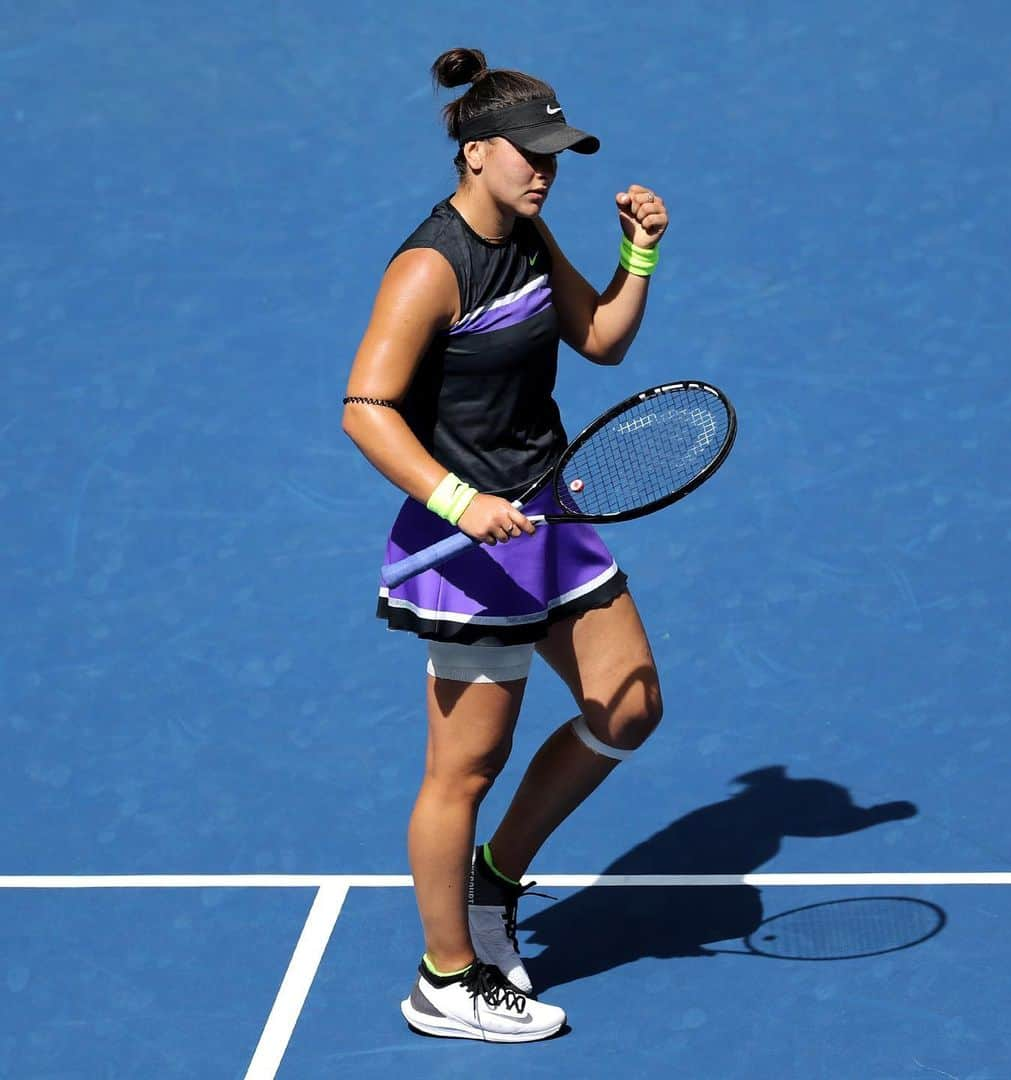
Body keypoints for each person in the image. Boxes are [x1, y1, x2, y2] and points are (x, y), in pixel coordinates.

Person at [342, 46, 668, 1043]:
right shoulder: (429, 268)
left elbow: (602, 340)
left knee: (630, 707)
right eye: (530, 154)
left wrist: (639, 254)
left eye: (556, 156)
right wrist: (457, 500)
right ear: (474, 151)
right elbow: (365, 406)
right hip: (468, 547)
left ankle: (496, 882)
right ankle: (445, 980)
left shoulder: (528, 237)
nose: (544, 170)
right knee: (466, 769)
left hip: (550, 518)